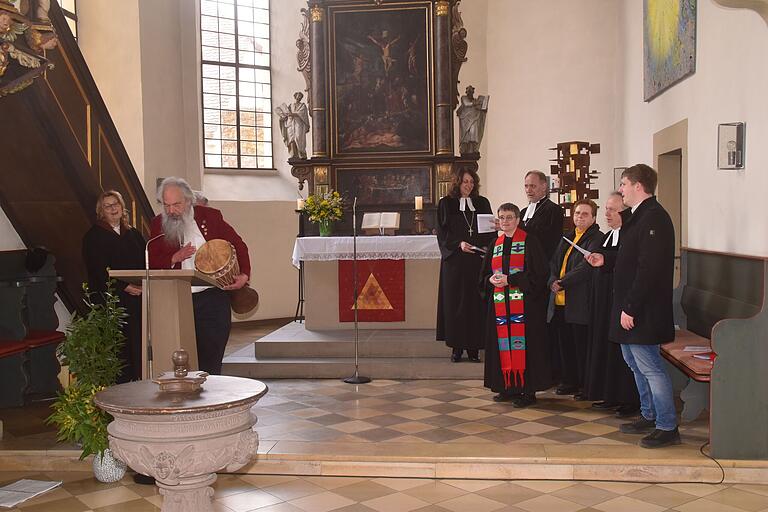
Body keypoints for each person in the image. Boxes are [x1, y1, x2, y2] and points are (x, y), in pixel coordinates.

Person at [587, 164, 678, 448]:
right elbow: (629, 259)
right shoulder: (638, 218)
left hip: (643, 310)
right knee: (634, 364)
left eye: (624, 184)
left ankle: (667, 426)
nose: (621, 189)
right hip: (628, 306)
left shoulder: (654, 218)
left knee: (650, 366)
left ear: (638, 186)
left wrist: (631, 307)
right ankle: (649, 414)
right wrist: (607, 261)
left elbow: (649, 269)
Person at [148, 177, 250, 375]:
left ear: (188, 201)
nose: (171, 211)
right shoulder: (158, 224)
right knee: (180, 355)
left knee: (212, 353)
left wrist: (244, 274)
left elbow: (238, 245)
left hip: (212, 297)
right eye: (166, 205)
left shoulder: (210, 217)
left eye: (176, 204)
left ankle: (211, 397)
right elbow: (150, 260)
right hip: (177, 298)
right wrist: (174, 257)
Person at [480, 203, 551, 408]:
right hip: (500, 305)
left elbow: (540, 274)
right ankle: (507, 387)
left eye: (509, 217)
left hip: (525, 306)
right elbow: (484, 275)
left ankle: (527, 390)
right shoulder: (495, 244)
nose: (505, 221)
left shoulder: (530, 242)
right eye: (501, 217)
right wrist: (490, 281)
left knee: (526, 346)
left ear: (518, 220)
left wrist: (511, 280)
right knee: (501, 345)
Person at [583, 193, 640, 417]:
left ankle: (626, 399)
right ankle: (608, 394)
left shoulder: (630, 238)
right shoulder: (607, 236)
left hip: (618, 302)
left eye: (612, 210)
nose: (606, 214)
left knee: (620, 354)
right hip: (601, 302)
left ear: (624, 212)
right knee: (603, 348)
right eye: (606, 209)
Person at [82, 190, 145, 383]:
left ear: (122, 206)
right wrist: (124, 286)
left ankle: (139, 383)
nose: (113, 208)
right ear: (101, 211)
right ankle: (120, 388)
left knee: (138, 343)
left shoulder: (133, 234)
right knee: (119, 346)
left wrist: (142, 284)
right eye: (108, 206)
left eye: (115, 204)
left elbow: (145, 262)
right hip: (112, 300)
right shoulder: (93, 236)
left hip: (137, 297)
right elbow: (97, 269)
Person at [436, 168, 495, 363]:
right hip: (455, 263)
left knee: (475, 305)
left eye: (471, 182)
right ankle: (456, 348)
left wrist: (487, 247)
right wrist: (459, 244)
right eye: (465, 182)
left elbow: (489, 230)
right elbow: (443, 233)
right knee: (456, 305)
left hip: (477, 261)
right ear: (457, 183)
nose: (468, 185)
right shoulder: (446, 204)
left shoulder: (482, 203)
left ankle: (474, 349)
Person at [547, 199, 602, 398]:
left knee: (581, 347)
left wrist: (562, 282)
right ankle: (569, 380)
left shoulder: (597, 238)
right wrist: (552, 279)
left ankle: (584, 385)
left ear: (594, 217)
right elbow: (554, 262)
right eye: (577, 213)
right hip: (561, 301)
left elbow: (585, 268)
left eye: (585, 214)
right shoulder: (567, 237)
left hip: (580, 301)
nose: (579, 217)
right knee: (565, 345)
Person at [520, 171, 564, 264]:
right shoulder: (523, 212)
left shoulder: (554, 210)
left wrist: (517, 228)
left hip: (543, 262)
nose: (528, 190)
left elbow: (550, 240)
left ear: (544, 187)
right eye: (526, 186)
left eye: (533, 186)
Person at [278, 91, 310, 160]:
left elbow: (302, 113)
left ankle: (301, 154)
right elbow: (287, 113)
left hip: (299, 124)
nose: (298, 98)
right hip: (290, 124)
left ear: (301, 98)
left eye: (300, 96)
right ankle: (293, 154)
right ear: (295, 97)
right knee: (291, 139)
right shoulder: (291, 105)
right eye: (297, 96)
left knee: (298, 138)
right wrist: (282, 117)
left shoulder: (303, 105)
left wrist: (293, 114)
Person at [456, 85, 488, 155]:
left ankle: (472, 150)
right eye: (469, 92)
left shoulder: (475, 100)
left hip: (474, 119)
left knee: (473, 134)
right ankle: (465, 150)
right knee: (466, 136)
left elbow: (480, 108)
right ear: (467, 92)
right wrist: (475, 103)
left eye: (471, 92)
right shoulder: (464, 98)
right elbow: (467, 104)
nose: (470, 93)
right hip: (465, 120)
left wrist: (483, 106)